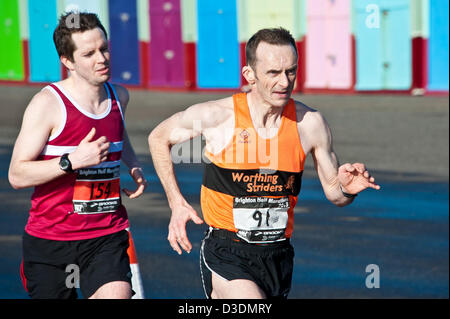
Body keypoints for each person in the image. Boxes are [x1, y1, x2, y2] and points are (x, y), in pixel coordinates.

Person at [148, 27, 380, 299]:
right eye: (273, 73)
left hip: (278, 257)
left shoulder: (310, 124)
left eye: (290, 71)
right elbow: (158, 137)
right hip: (226, 252)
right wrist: (176, 202)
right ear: (250, 75)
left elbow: (334, 192)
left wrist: (347, 189)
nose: (284, 82)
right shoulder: (217, 116)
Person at [8, 12, 147, 299]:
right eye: (89, 53)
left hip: (105, 235)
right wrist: (71, 162)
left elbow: (118, 132)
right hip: (52, 240)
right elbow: (17, 175)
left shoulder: (119, 96)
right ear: (68, 61)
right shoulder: (47, 104)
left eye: (104, 48)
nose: (102, 59)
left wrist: (132, 164)